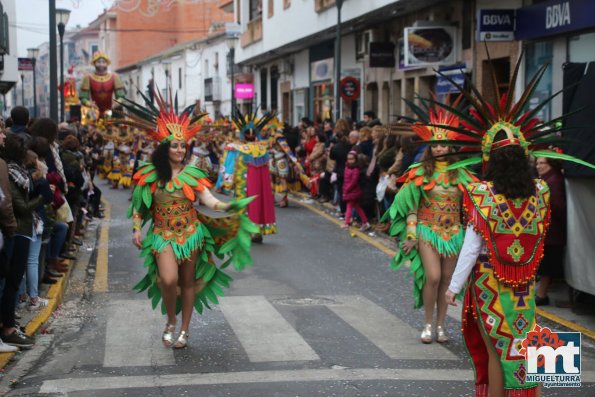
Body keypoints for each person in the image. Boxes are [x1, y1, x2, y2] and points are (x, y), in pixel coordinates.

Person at [441, 53, 595, 396]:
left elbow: (471, 247)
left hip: (489, 284)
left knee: (498, 349)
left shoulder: (481, 196)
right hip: (525, 283)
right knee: (526, 339)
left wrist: (453, 287)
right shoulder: (539, 192)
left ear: (489, 160)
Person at [120, 92, 256, 349]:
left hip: (191, 233)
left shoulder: (193, 173)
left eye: (183, 146)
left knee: (188, 281)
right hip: (162, 235)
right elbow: (138, 207)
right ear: (164, 148)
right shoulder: (149, 175)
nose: (180, 150)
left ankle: (184, 329)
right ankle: (171, 320)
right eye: (175, 145)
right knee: (168, 280)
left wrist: (229, 206)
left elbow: (208, 199)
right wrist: (137, 230)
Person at [383, 102, 477, 344]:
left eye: (443, 144)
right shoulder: (419, 172)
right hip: (427, 231)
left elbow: (473, 206)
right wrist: (411, 236)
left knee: (447, 280)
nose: (438, 148)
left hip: (454, 234)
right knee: (432, 277)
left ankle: (441, 325)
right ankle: (427, 323)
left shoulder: (462, 174)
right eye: (434, 144)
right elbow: (412, 208)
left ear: (450, 146)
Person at [534, 157, 566, 306]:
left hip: (552, 230)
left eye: (542, 163)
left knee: (547, 264)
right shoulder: (547, 180)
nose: (538, 166)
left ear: (551, 164)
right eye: (537, 163)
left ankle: (542, 295)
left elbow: (559, 207)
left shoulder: (553, 181)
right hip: (547, 229)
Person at [79, 51, 125, 116]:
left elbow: (121, 97)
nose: (101, 64)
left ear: (107, 63)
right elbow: (83, 98)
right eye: (98, 62)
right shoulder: (87, 78)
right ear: (94, 63)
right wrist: (89, 103)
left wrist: (117, 103)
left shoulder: (115, 77)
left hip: (111, 111)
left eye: (103, 62)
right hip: (93, 113)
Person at [341, 150, 370, 231]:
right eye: (348, 159)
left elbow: (354, 181)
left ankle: (346, 223)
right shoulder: (347, 167)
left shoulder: (356, 169)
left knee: (349, 206)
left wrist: (346, 189)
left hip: (353, 191)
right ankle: (365, 222)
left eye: (352, 159)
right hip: (348, 190)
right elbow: (345, 180)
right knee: (357, 207)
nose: (350, 161)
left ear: (356, 159)